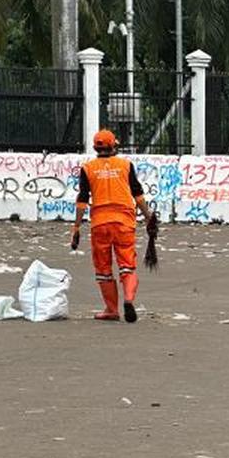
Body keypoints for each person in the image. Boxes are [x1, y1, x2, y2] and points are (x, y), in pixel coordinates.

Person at [71, 129, 155, 322]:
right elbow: (138, 195)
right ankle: (128, 299)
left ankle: (111, 309)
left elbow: (82, 200)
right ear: (114, 146)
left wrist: (76, 228)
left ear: (95, 148)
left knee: (103, 269)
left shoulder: (88, 168)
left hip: (100, 224)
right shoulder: (126, 165)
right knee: (127, 267)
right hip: (124, 223)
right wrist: (149, 217)